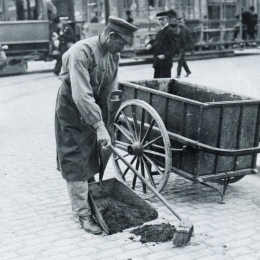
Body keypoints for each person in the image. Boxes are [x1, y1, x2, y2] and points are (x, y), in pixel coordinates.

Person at [55, 16, 137, 234]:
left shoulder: (113, 54)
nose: (124, 48)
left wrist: (108, 123)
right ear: (111, 36)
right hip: (72, 109)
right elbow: (81, 95)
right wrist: (99, 125)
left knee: (92, 153)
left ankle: (89, 198)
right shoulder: (80, 52)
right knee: (75, 158)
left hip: (94, 107)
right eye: (123, 43)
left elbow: (110, 87)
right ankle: (82, 214)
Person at [146, 11, 178, 78]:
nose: (160, 21)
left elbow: (175, 47)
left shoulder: (170, 31)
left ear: (167, 19)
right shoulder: (160, 31)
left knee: (164, 85)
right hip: (158, 63)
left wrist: (165, 55)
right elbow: (157, 45)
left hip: (165, 64)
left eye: (162, 19)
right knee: (157, 84)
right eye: (159, 19)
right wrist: (150, 46)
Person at [168, 10, 193, 78]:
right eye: (178, 22)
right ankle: (188, 71)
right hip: (177, 47)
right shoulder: (176, 29)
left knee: (179, 60)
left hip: (183, 47)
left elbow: (190, 40)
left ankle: (178, 74)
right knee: (182, 60)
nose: (179, 23)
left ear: (183, 22)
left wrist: (190, 48)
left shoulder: (186, 30)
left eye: (180, 22)